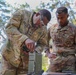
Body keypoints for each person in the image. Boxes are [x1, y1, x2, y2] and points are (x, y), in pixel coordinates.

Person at [1, 9, 51, 75]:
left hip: (24, 64)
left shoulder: (43, 29)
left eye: (44, 24)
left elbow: (42, 44)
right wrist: (25, 39)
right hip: (9, 58)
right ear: (37, 14)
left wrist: (34, 51)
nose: (41, 26)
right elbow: (9, 28)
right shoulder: (22, 13)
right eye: (41, 22)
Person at [46, 6, 76, 73]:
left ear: (67, 16)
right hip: (55, 60)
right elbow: (44, 41)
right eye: (58, 18)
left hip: (70, 61)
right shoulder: (52, 28)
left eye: (62, 18)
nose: (60, 20)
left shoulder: (74, 29)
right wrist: (48, 53)